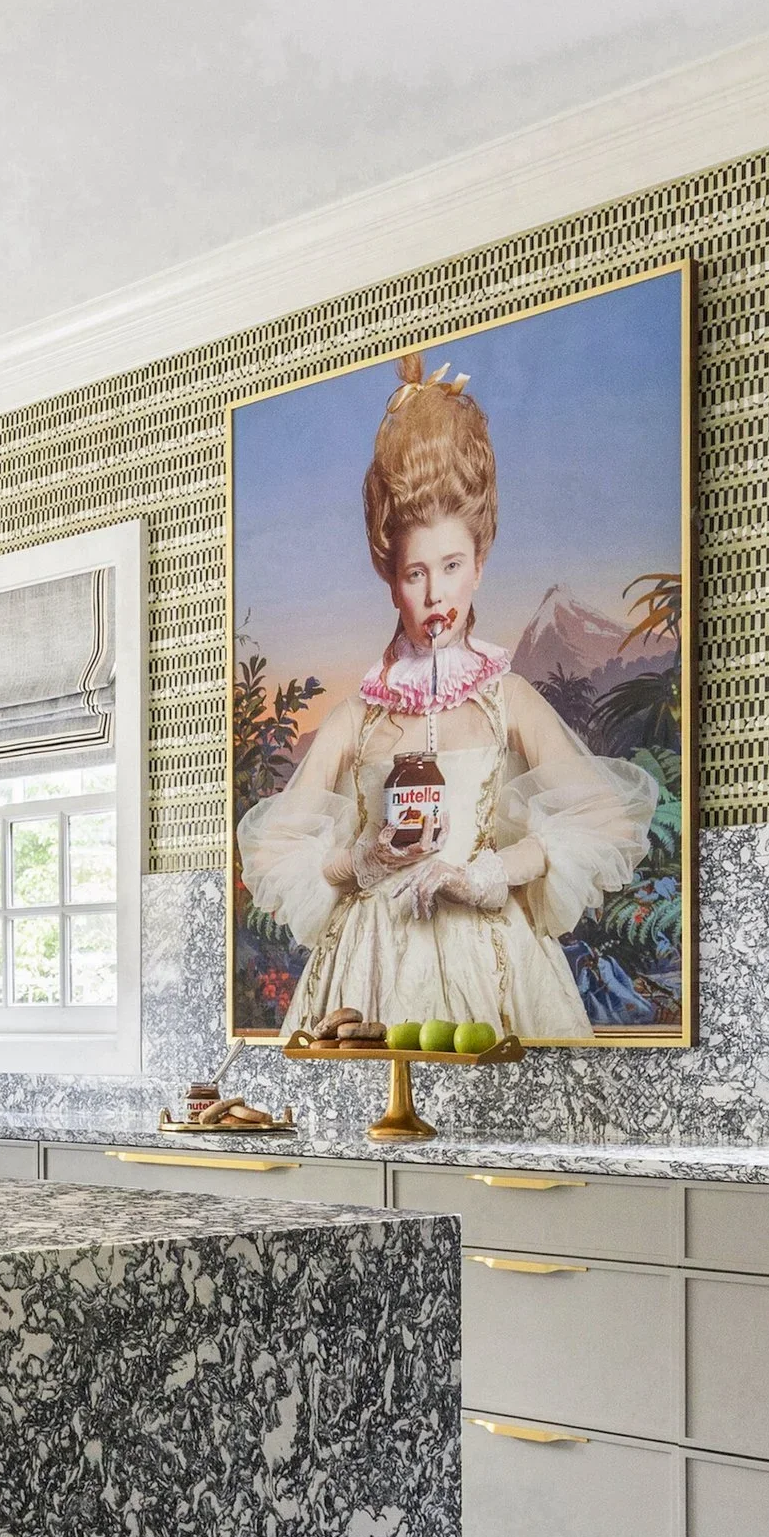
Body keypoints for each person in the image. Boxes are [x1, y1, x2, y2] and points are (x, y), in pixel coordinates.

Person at [237, 358, 656, 1038]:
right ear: (389, 575)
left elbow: (603, 817)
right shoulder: (358, 718)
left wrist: (497, 870)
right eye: (415, 573)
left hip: (493, 962)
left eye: (453, 567)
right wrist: (361, 860)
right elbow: (277, 845)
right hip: (369, 965)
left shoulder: (508, 701)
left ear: (481, 561)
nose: (436, 596)